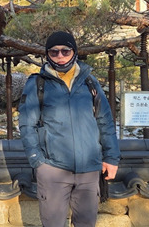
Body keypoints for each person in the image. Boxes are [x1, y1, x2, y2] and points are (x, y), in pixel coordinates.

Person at [18, 31, 120, 227]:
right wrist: (37, 161)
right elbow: (27, 125)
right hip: (53, 169)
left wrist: (111, 157)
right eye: (54, 52)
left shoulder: (89, 82)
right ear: (47, 54)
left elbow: (105, 121)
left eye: (65, 51)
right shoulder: (38, 83)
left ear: (74, 52)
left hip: (89, 168)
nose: (60, 56)